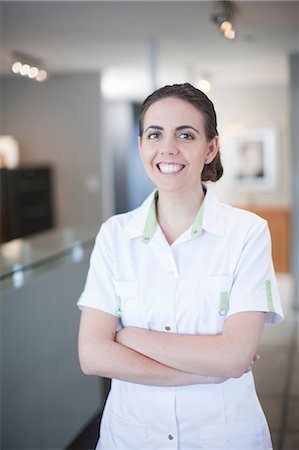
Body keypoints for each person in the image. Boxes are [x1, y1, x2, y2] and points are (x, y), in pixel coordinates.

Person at [77, 83, 283, 450]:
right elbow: (92, 355)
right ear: (141, 144)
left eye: (185, 134)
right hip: (131, 436)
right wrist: (206, 372)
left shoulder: (247, 233)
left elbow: (235, 357)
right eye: (155, 134)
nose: (168, 148)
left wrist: (129, 337)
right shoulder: (113, 236)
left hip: (223, 436)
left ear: (210, 148)